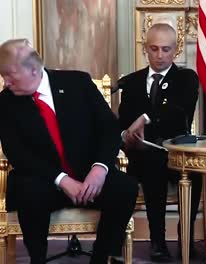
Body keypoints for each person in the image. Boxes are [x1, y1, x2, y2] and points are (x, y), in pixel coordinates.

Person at [0, 39, 138, 264]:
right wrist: (61, 179)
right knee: (29, 192)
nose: (5, 82)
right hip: (43, 179)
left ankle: (102, 256)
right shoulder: (5, 102)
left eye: (9, 75)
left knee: (125, 188)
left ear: (33, 69)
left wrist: (100, 169)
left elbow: (109, 128)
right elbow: (16, 153)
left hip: (87, 173)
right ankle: (38, 259)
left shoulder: (78, 83)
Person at [118, 23, 202, 261]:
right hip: (141, 157)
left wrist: (144, 119)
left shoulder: (186, 78)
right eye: (154, 49)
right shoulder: (131, 82)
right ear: (146, 49)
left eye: (166, 49)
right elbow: (123, 120)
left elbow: (179, 111)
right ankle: (158, 240)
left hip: (177, 155)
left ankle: (185, 235)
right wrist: (126, 135)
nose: (160, 55)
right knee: (153, 164)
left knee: (194, 172)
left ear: (175, 50)